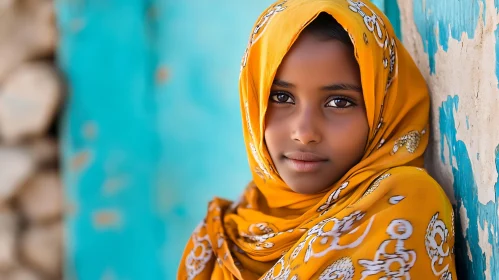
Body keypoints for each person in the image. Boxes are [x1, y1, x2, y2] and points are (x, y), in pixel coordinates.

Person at [178, 0, 457, 279]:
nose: (304, 133)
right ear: (255, 103)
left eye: (339, 102)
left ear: (383, 110)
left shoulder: (399, 206)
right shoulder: (220, 238)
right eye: (281, 97)